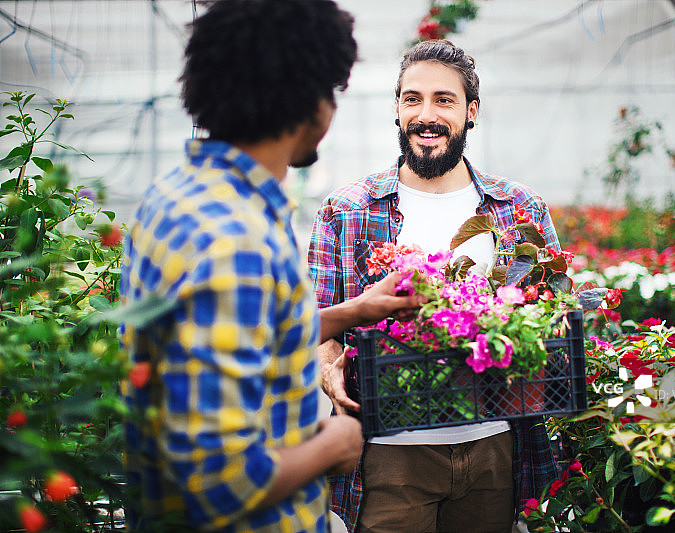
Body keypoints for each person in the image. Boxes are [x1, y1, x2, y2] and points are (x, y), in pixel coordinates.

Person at [119, 1, 424, 532]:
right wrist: (333, 445)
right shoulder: (238, 241)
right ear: (312, 102)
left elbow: (245, 334)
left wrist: (354, 311)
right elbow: (214, 483)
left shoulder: (175, 198)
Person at [308, 39, 562, 533]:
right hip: (389, 454)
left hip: (495, 446)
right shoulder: (347, 210)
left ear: (470, 112)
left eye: (443, 100)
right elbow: (320, 324)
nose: (426, 114)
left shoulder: (519, 209)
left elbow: (553, 312)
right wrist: (328, 372)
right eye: (412, 98)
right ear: (397, 109)